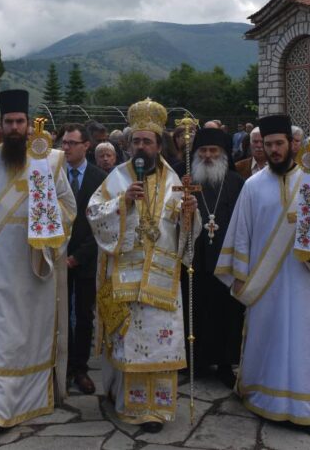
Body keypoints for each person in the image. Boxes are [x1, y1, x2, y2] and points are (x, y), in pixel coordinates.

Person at [0, 89, 76, 432]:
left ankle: (25, 400)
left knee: (26, 335)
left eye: (19, 121)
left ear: (28, 123)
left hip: (32, 264)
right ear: (0, 124)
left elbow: (69, 208)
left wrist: (46, 231)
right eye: (8, 122)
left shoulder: (50, 161)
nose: (13, 127)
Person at [216, 114, 310, 437]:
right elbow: (240, 232)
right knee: (266, 339)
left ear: (291, 144)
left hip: (305, 280)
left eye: (278, 144)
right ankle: (262, 396)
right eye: (267, 144)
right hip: (265, 283)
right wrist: (239, 275)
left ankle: (306, 409)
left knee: (305, 342)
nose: (273, 150)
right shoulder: (253, 186)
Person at [87, 99, 199, 434]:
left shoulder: (174, 178)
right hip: (127, 277)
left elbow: (180, 226)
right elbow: (94, 214)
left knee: (160, 344)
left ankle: (158, 408)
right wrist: (122, 203)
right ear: (129, 144)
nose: (140, 146)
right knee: (131, 344)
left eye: (147, 141)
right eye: (135, 141)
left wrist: (188, 213)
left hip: (163, 280)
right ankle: (131, 404)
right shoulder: (117, 178)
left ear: (159, 144)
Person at [175, 127, 244, 389]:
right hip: (194, 259)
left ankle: (226, 364)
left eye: (213, 150)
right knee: (196, 309)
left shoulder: (237, 183)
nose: (207, 155)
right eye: (202, 150)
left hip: (226, 260)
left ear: (224, 154)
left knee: (227, 313)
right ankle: (195, 361)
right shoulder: (186, 181)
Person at [60, 123, 107, 395]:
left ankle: (80, 367)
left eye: (71, 143)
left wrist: (78, 256)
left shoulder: (99, 178)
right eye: (63, 143)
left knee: (84, 315)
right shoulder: (55, 176)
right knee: (61, 313)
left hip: (86, 258)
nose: (66, 148)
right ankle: (63, 365)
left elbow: (101, 223)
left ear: (86, 146)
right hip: (57, 255)